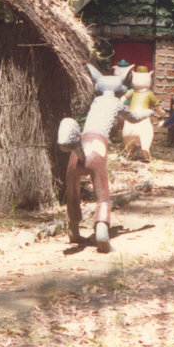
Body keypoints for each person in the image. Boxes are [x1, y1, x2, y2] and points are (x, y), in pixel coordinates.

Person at [58, 63, 149, 252]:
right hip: (98, 147)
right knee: (102, 194)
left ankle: (73, 229)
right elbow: (134, 118)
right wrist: (148, 113)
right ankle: (101, 231)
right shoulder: (117, 104)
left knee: (73, 191)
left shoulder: (96, 102)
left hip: (80, 146)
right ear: (121, 89)